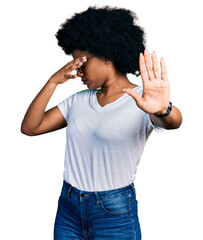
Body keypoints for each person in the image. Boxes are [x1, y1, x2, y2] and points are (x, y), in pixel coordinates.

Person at [21, 5, 182, 240]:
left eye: (81, 62)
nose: (77, 70)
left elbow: (173, 121)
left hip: (114, 211)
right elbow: (30, 127)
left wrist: (163, 109)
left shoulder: (142, 100)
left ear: (105, 54)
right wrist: (53, 81)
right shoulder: (78, 101)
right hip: (69, 207)